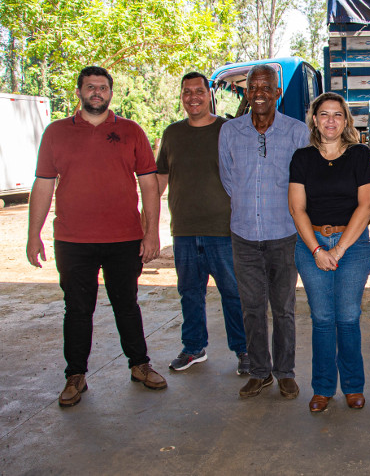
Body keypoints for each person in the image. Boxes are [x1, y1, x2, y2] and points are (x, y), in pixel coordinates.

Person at [26, 66, 167, 408]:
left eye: (103, 87)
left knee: (126, 304)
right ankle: (75, 375)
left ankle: (139, 365)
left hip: (124, 238)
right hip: (73, 240)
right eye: (90, 87)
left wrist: (151, 233)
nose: (97, 92)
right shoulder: (56, 133)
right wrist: (34, 235)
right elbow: (43, 185)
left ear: (110, 93)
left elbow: (149, 185)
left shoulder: (131, 131)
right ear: (79, 91)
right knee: (76, 308)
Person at [218, 64, 308, 400]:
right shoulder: (230, 132)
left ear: (277, 93)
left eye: (266, 87)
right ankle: (259, 372)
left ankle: (285, 372)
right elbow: (230, 181)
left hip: (283, 235)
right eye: (252, 88)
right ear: (246, 92)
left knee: (283, 308)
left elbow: (304, 183)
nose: (258, 93)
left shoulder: (297, 133)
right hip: (243, 236)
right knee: (252, 308)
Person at [288, 92, 370, 413]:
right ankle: (323, 388)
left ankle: (353, 386)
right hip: (311, 245)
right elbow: (297, 209)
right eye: (324, 114)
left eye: (337, 115)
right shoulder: (302, 158)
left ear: (345, 121)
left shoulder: (360, 155)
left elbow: (367, 205)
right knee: (323, 318)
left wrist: (338, 248)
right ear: (315, 119)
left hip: (352, 246)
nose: (330, 121)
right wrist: (316, 248)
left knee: (348, 317)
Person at [156, 72, 248, 374]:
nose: (192, 97)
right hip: (183, 232)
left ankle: (244, 350)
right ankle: (194, 348)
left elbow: (246, 176)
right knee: (190, 293)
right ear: (181, 96)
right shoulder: (172, 134)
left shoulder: (228, 130)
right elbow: (159, 180)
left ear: (209, 94)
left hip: (222, 231)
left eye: (198, 91)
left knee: (233, 293)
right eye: (186, 92)